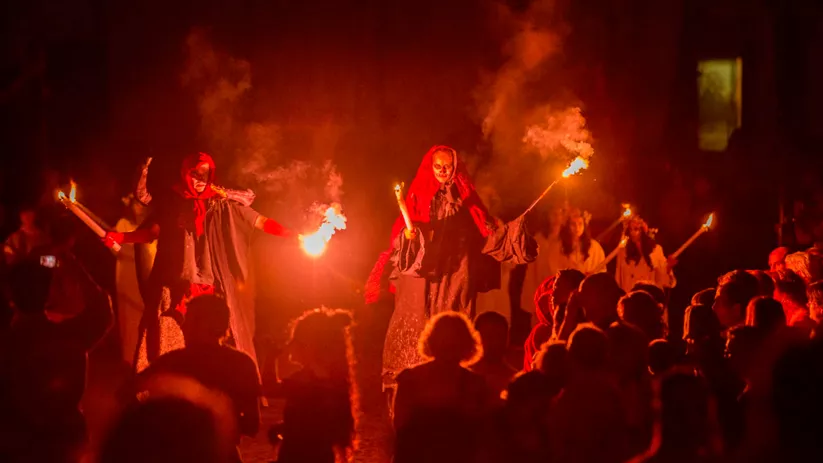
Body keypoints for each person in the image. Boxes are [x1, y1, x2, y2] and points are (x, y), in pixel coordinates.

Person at [104, 153, 294, 371]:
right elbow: (151, 232)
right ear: (186, 173)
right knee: (166, 346)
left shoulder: (222, 203)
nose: (199, 178)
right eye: (195, 173)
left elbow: (259, 221)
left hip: (209, 288)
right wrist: (120, 237)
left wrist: (292, 235)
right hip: (173, 286)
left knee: (209, 344)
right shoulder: (172, 201)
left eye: (205, 173)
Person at [367, 145, 532, 388]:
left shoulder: (465, 196)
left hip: (455, 272)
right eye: (438, 166)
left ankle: (453, 381)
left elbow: (485, 228)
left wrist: (510, 233)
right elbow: (400, 235)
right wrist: (411, 236)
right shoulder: (418, 194)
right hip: (422, 274)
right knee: (415, 322)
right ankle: (411, 382)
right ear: (430, 167)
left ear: (455, 167)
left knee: (452, 317)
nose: (443, 170)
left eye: (448, 166)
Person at [0, 254, 112, 462]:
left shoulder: (7, 345)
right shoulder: (72, 336)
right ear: (49, 291)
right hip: (66, 448)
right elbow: (101, 308)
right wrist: (72, 263)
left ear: (9, 294)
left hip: (15, 449)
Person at [134, 295, 261, 461]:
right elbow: (252, 425)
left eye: (191, 320)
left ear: (211, 325)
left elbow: (127, 391)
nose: (184, 328)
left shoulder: (174, 362)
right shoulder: (242, 363)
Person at [392, 311, 490, 463]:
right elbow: (400, 426)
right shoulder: (410, 379)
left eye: (453, 341)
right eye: (445, 341)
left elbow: (481, 433)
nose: (448, 347)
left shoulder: (474, 384)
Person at [271, 308, 357, 463]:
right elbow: (327, 429)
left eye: (295, 340)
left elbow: (269, 389)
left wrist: (270, 357)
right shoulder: (335, 381)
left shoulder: (304, 380)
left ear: (308, 345)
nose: (290, 345)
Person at [114, 193, 157, 366]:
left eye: (142, 204)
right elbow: (117, 249)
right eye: (136, 204)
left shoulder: (153, 226)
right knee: (129, 317)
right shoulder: (123, 224)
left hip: (147, 273)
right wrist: (112, 243)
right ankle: (130, 358)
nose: (139, 207)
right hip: (127, 275)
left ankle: (147, 356)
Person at [615, 217, 676, 293]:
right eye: (630, 229)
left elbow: (662, 279)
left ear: (643, 230)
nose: (632, 233)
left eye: (636, 229)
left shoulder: (656, 250)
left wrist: (668, 267)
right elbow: (618, 279)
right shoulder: (623, 252)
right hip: (630, 297)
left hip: (649, 297)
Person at [543, 208, 605, 276]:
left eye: (580, 224)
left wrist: (591, 276)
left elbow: (601, 269)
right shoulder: (558, 247)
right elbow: (553, 268)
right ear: (568, 226)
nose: (577, 227)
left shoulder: (594, 247)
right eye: (573, 224)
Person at [470, 311, 517, 399]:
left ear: (507, 337)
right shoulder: (463, 379)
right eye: (489, 336)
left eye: (499, 336)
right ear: (475, 338)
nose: (495, 342)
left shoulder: (515, 381)